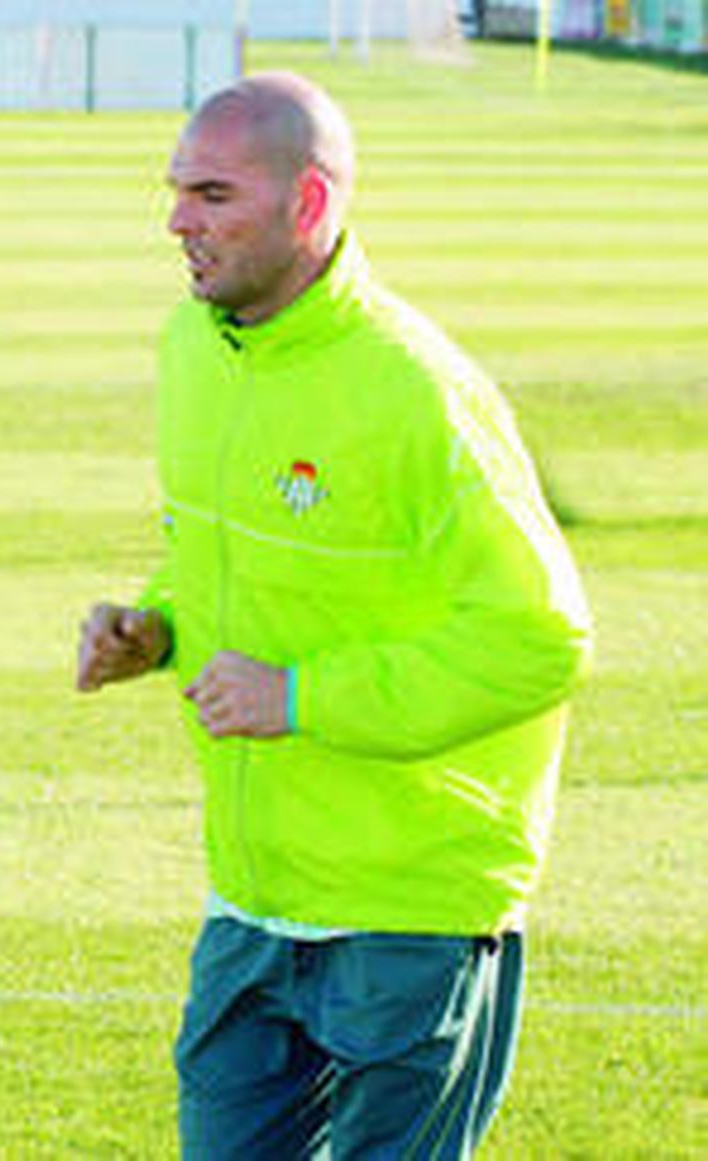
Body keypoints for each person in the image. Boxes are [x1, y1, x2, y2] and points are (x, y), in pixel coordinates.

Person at [75, 72, 592, 1158]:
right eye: (175, 191)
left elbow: (538, 637)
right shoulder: (190, 348)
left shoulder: (419, 393)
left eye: (212, 194)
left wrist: (302, 698)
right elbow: (226, 558)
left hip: (409, 913)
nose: (176, 220)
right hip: (252, 900)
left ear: (308, 206)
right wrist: (157, 628)